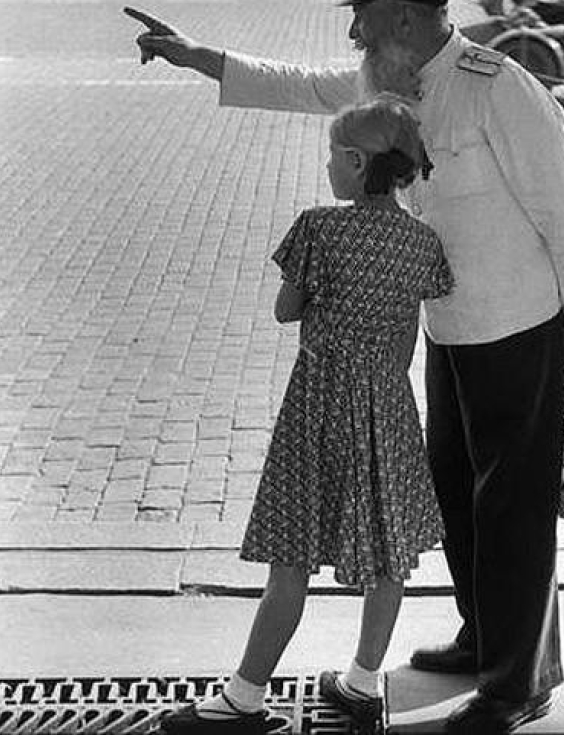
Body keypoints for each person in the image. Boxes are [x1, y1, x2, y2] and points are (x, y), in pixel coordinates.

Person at [131, 0, 564, 735]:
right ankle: (483, 633)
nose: (355, 41)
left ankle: (520, 681)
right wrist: (194, 55)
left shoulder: (499, 88)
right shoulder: (389, 84)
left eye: (365, 23)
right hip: (449, 330)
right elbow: (296, 84)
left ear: (409, 21)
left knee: (511, 506)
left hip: (520, 326)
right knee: (456, 491)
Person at [157, 96, 453, 734]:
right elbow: (408, 336)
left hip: (317, 406)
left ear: (354, 161)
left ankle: (245, 695)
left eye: (331, 156)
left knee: (290, 556)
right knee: (387, 557)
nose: (327, 167)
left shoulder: (319, 228)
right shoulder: (422, 242)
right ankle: (364, 684)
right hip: (388, 411)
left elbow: (285, 311)